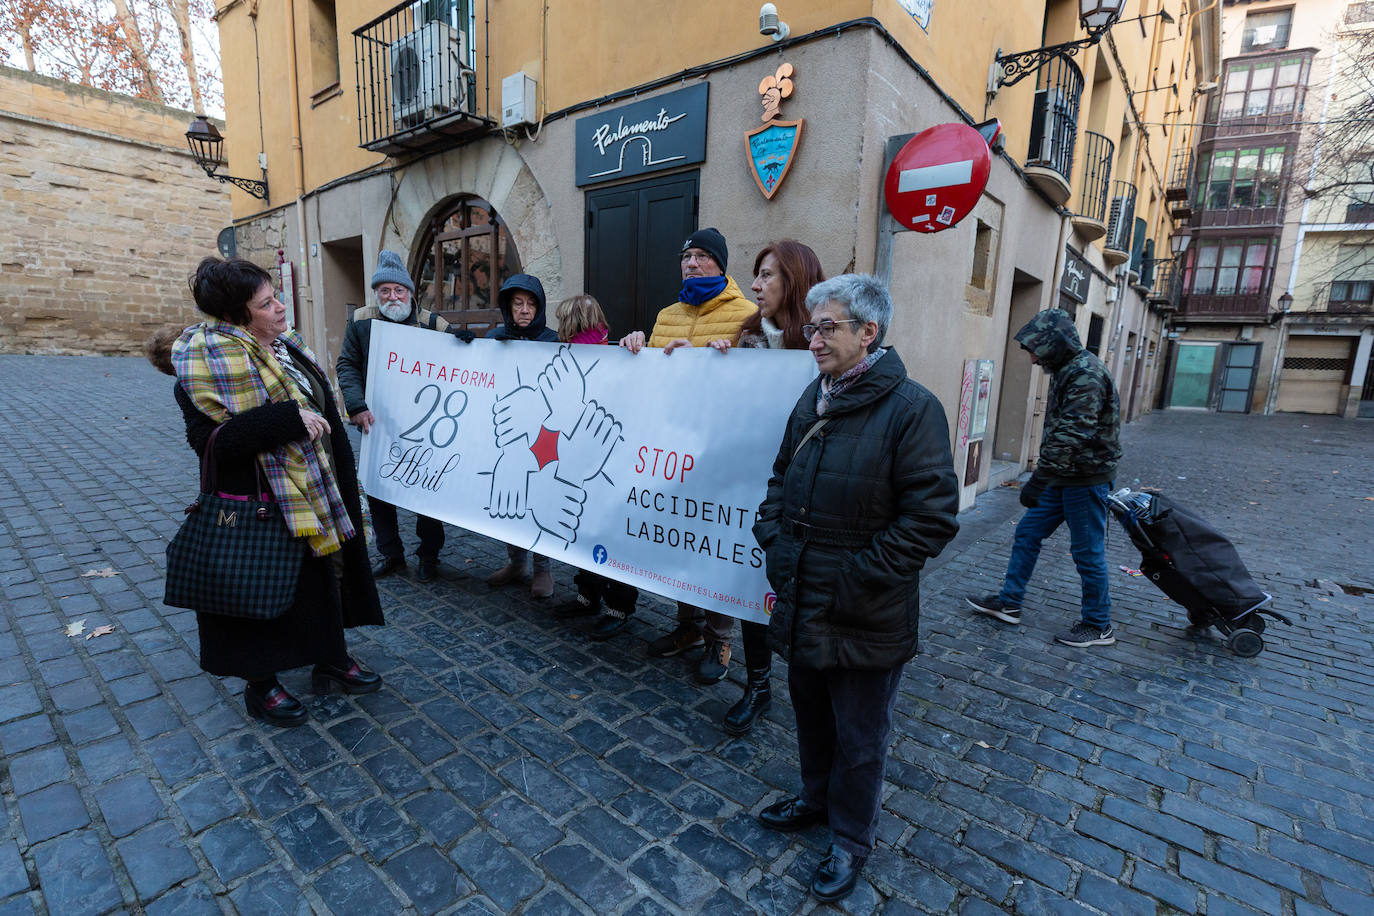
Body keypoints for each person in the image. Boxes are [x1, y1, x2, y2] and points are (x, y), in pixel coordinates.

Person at [753, 274, 959, 903]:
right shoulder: (810, 399)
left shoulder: (913, 409)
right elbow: (782, 474)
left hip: (864, 608)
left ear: (869, 332)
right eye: (811, 326)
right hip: (803, 595)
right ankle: (816, 799)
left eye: (827, 327)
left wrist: (853, 577)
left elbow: (930, 518)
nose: (813, 339)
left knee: (861, 735)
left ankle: (850, 838)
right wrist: (774, 535)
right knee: (811, 714)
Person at [170, 257, 384, 727]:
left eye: (276, 297)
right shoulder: (206, 365)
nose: (281, 308)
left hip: (319, 485)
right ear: (235, 317)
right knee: (262, 585)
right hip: (264, 499)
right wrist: (286, 419)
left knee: (325, 576)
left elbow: (321, 402)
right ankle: (260, 682)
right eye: (267, 304)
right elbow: (211, 443)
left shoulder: (286, 346)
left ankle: (328, 655)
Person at [619, 227, 758, 668]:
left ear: (720, 264)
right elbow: (655, 381)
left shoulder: (746, 314)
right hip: (675, 446)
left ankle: (720, 637)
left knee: (717, 543)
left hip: (722, 449)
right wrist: (635, 346)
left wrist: (731, 358)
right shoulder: (666, 316)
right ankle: (687, 626)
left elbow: (757, 380)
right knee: (682, 541)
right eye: (686, 256)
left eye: (702, 256)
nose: (692, 263)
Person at [701, 240, 822, 731]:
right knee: (753, 586)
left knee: (800, 596)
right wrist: (716, 365)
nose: (755, 284)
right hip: (753, 486)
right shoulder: (747, 335)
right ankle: (757, 687)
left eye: (768, 275)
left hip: (807, 495)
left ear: (794, 281)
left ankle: (814, 694)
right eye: (756, 274)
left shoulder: (819, 344)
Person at [966, 308, 1122, 647]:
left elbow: (1073, 432)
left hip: (1086, 479)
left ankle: (1099, 625)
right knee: (1027, 533)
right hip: (1063, 477)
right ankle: (1009, 602)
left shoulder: (1085, 373)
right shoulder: (1067, 369)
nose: (1034, 359)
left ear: (1055, 344)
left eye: (1036, 349)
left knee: (1087, 552)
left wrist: (1039, 478)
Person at [336, 250, 452, 582]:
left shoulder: (432, 323)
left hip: (424, 426)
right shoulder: (361, 320)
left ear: (410, 292)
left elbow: (460, 361)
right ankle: (391, 554)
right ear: (376, 293)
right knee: (378, 488)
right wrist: (356, 405)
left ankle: (429, 555)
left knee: (427, 491)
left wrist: (466, 341)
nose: (392, 296)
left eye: (398, 290)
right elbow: (347, 365)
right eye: (384, 290)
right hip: (377, 421)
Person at [549, 294, 640, 637]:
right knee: (583, 531)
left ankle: (618, 606)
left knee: (612, 534)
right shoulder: (570, 360)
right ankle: (587, 595)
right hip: (581, 458)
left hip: (613, 463)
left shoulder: (618, 358)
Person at [484, 273, 561, 598]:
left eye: (531, 304)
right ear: (508, 307)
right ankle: (517, 563)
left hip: (543, 436)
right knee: (511, 499)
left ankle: (543, 569)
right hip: (507, 434)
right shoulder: (495, 338)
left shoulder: (553, 340)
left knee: (540, 498)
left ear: (539, 307)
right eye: (518, 304)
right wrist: (466, 347)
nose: (525, 310)